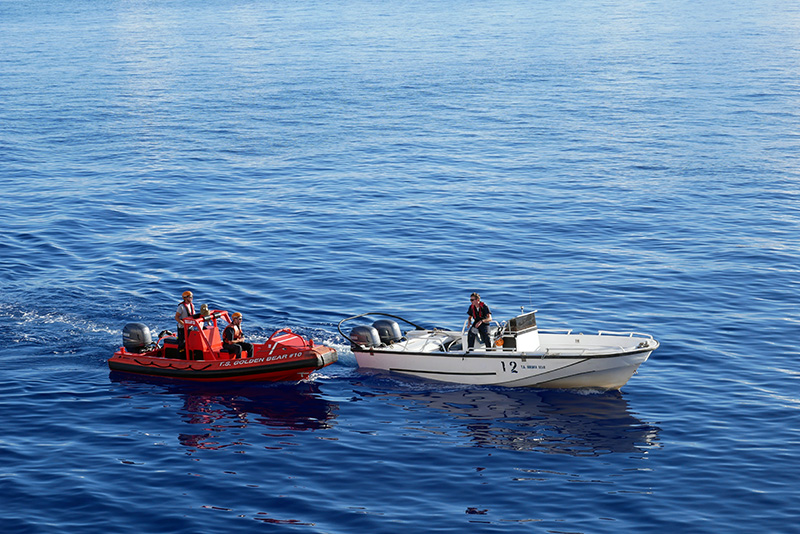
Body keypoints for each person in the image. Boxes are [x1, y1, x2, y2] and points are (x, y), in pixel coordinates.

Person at [174, 290, 196, 356]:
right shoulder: (181, 307)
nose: (191, 299)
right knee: (182, 343)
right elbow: (176, 317)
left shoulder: (192, 305)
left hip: (190, 327)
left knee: (190, 341)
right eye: (190, 297)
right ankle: (179, 357)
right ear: (185, 298)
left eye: (192, 297)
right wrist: (183, 324)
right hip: (182, 328)